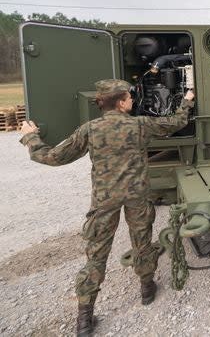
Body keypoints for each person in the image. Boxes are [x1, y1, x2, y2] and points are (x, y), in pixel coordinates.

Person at [19, 79, 195, 337]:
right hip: (137, 197)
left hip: (105, 201)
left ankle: (84, 318)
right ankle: (147, 289)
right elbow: (176, 123)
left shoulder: (90, 129)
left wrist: (30, 136)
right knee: (142, 242)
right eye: (130, 98)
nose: (133, 101)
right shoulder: (139, 125)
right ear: (122, 103)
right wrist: (187, 101)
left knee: (96, 255)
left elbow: (51, 157)